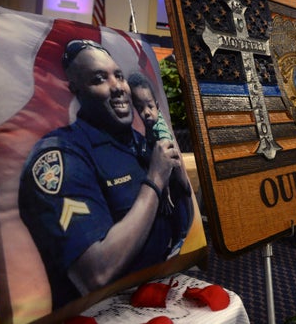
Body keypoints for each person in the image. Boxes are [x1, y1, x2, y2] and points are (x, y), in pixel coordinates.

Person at [18, 39, 193, 310]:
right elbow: (95, 273)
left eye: (119, 76)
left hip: (161, 293)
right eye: (99, 79)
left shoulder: (143, 142)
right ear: (75, 90)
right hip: (104, 313)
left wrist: (178, 179)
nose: (118, 88)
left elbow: (180, 221)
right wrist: (155, 180)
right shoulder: (61, 157)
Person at [128, 71, 191, 216]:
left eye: (150, 106)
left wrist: (165, 191)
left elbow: (168, 164)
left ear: (156, 105)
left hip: (171, 179)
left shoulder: (160, 130)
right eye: (140, 108)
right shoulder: (148, 124)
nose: (147, 112)